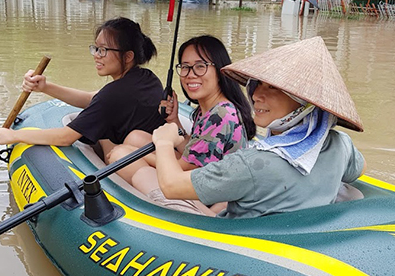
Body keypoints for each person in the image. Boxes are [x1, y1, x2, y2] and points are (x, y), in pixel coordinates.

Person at [151, 36, 366, 218]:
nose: (255, 95)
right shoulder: (342, 145)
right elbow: (359, 169)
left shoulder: (253, 163)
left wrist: (163, 142)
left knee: (145, 179)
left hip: (232, 245)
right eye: (258, 84)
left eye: (273, 88)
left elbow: (171, 186)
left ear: (305, 102)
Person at [107, 35, 255, 215]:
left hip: (215, 197)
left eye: (200, 66)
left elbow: (182, 168)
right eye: (185, 67)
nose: (190, 74)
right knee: (135, 137)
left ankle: (202, 216)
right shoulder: (207, 108)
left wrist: (131, 153)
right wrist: (173, 120)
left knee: (120, 156)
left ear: (219, 70)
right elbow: (195, 152)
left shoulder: (222, 114)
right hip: (203, 180)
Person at [0, 17, 165, 157]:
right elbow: (92, 99)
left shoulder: (115, 94)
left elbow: (66, 137)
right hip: (151, 149)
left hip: (140, 158)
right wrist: (45, 87)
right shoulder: (146, 78)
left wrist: (13, 136)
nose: (96, 56)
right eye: (96, 48)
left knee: (102, 137)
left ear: (127, 57)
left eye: (103, 50)